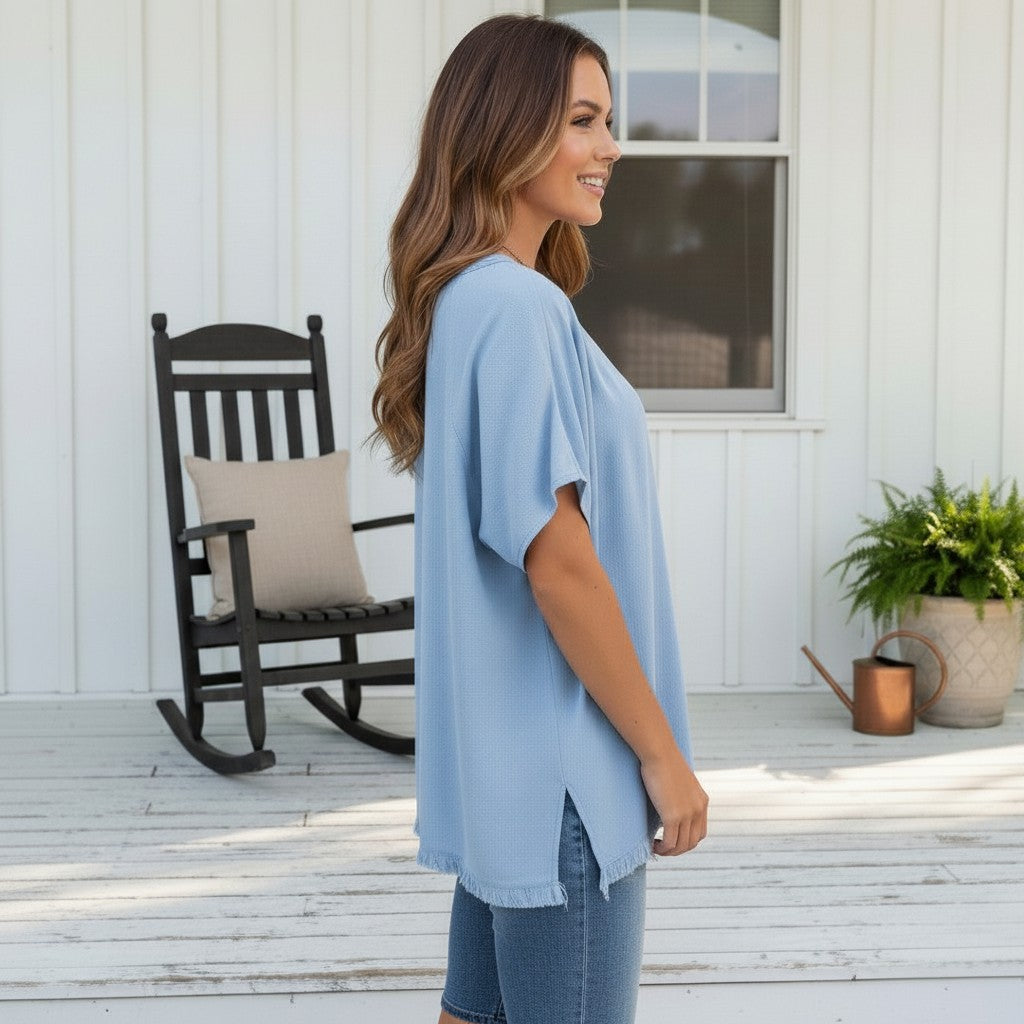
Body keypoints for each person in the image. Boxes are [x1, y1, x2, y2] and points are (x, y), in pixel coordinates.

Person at [369, 14, 708, 1024]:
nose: (613, 147)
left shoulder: (470, 299)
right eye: (584, 121)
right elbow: (557, 563)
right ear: (506, 130)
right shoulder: (516, 308)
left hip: (508, 777)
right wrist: (661, 756)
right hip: (570, 782)